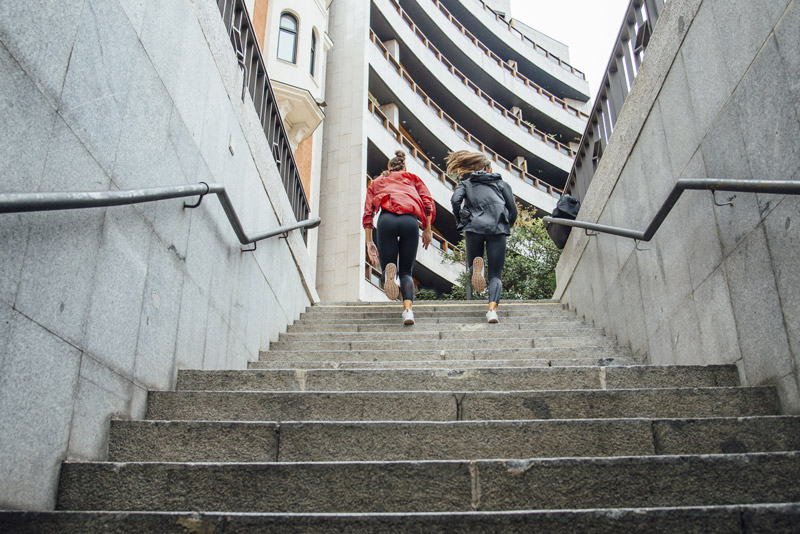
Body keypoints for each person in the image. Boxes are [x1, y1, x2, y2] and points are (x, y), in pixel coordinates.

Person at [363, 151, 435, 325]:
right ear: (404, 167)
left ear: (388, 168)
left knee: (390, 264)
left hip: (386, 220)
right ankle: (408, 311)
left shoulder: (378, 181)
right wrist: (427, 229)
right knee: (406, 272)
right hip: (409, 221)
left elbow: (368, 212)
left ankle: (389, 273)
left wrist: (369, 242)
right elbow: (428, 204)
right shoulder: (413, 179)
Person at [447, 150, 517, 323]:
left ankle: (479, 268)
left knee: (474, 265)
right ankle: (492, 310)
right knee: (496, 275)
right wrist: (506, 225)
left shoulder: (466, 183)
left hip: (473, 227)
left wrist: (460, 220)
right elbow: (513, 210)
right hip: (497, 228)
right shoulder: (501, 184)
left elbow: (455, 201)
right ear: (488, 167)